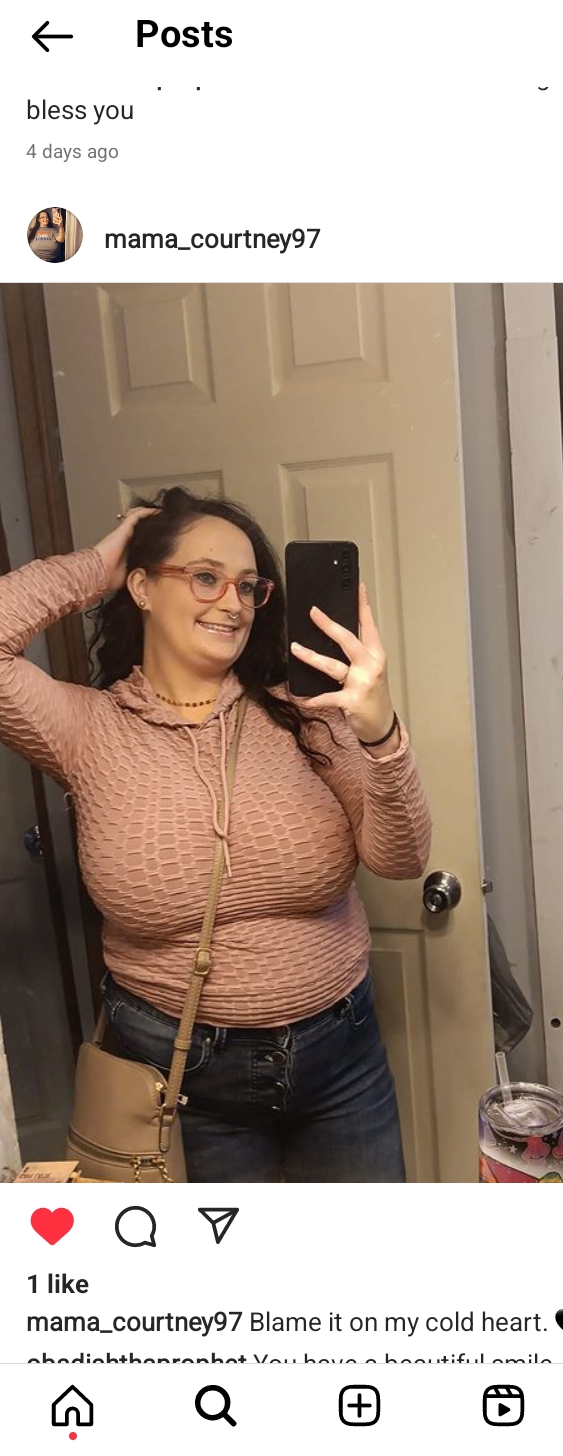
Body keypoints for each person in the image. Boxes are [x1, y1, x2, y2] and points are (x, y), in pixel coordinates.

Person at [0, 486, 432, 1181]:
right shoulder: (87, 730)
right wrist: (97, 564)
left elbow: (402, 858)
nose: (233, 603)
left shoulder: (308, 712)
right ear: (142, 586)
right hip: (177, 1082)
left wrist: (381, 732)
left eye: (249, 586)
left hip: (342, 1062)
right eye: (205, 577)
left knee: (363, 1252)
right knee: (218, 1258)